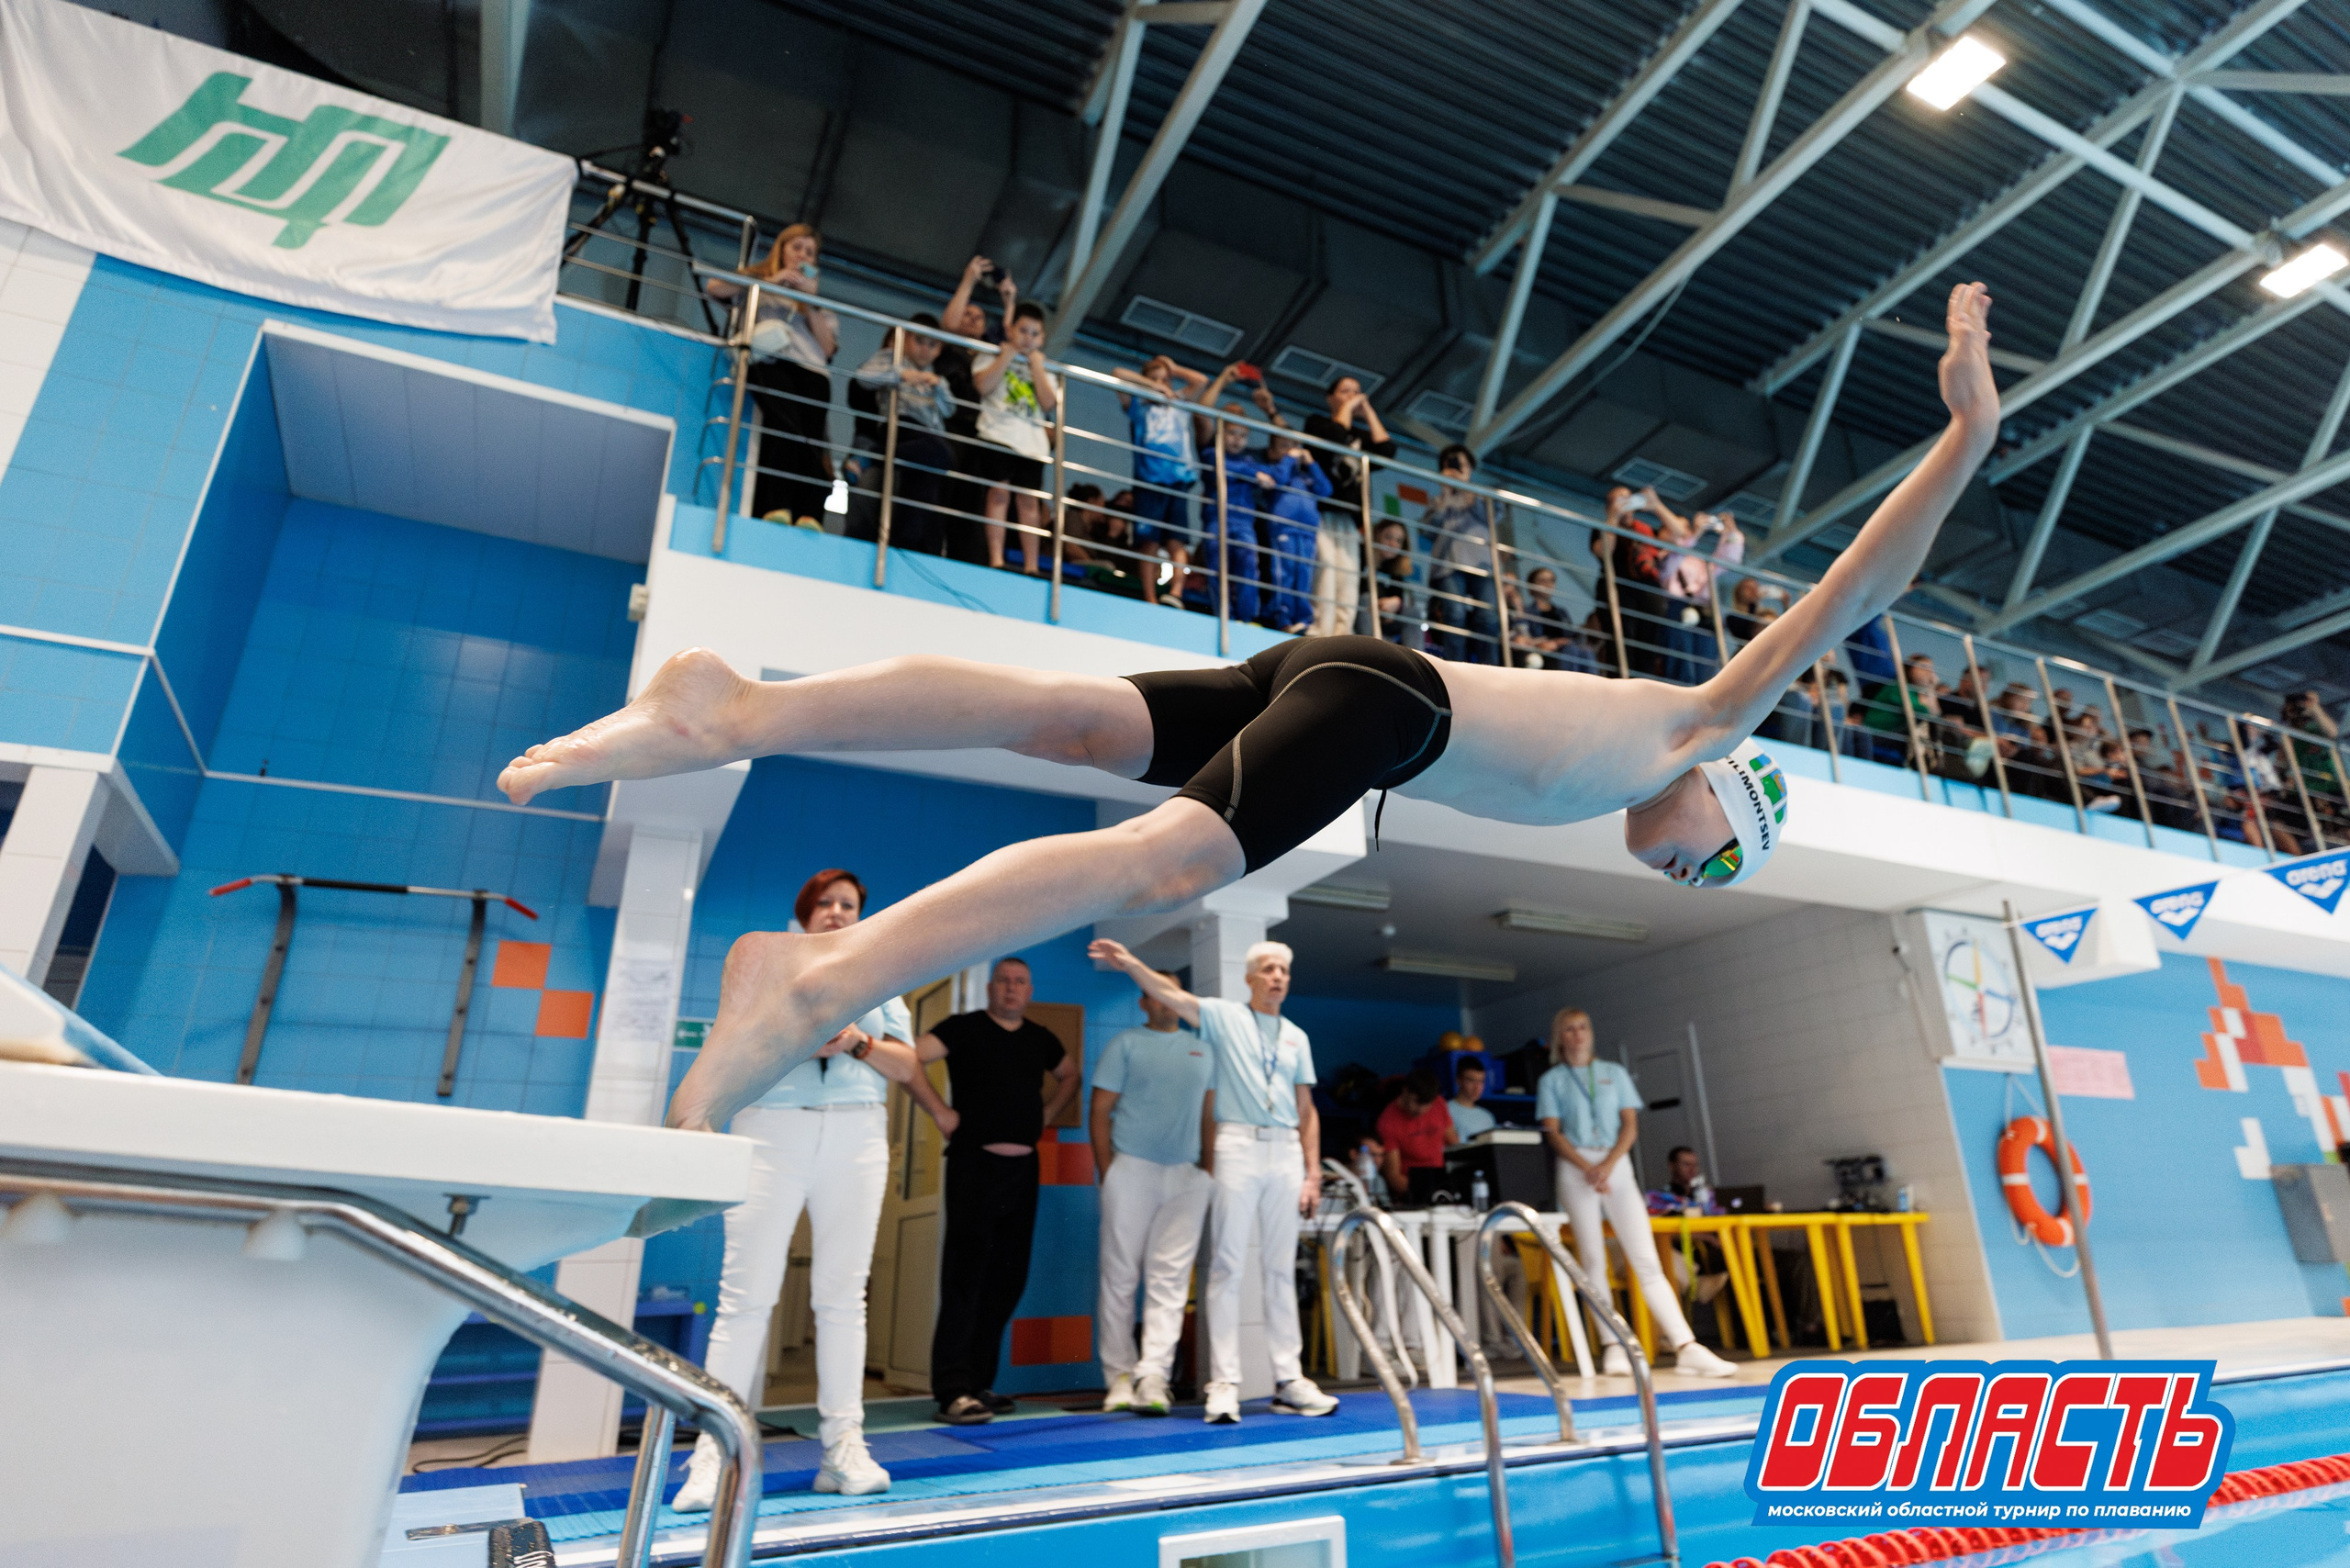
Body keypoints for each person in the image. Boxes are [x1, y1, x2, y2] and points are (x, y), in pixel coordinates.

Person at [500, 286, 2002, 1157]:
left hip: (1327, 667)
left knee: (1064, 724)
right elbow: (1848, 595)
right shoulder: (1693, 722)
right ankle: (821, 980)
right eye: (1719, 865)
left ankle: (740, 703)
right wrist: (1965, 434)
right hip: (1381, 700)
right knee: (1160, 866)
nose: (1694, 878)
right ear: (1735, 797)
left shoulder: (1628, 758)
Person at [673, 869, 952, 1508]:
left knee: (842, 1296)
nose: (836, 911)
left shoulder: (880, 978)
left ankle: (843, 1448)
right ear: (803, 912)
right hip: (771, 1129)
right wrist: (797, 1038)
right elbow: (733, 1043)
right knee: (745, 1296)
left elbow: (907, 1065)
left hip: (855, 1134)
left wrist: (854, 1041)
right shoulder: (770, 968)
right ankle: (712, 1456)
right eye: (824, 902)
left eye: (848, 904)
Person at [1089, 936, 1340, 1425]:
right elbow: (1177, 999)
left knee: (1278, 1268)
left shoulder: (1294, 1037)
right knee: (1223, 1264)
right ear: (1250, 978)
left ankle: (1289, 1379)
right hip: (1234, 1148)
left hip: (1279, 1151)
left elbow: (1306, 1110)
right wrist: (1132, 964)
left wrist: (1313, 1172)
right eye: (1267, 969)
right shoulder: (1224, 1019)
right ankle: (1222, 1381)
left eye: (1283, 970)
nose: (1277, 977)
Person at [914, 957, 1079, 1424]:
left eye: (1020, 982)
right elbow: (910, 1057)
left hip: (1023, 1172)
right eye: (1004, 980)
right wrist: (939, 1112)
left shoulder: (1040, 1038)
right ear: (990, 988)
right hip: (973, 1167)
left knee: (1007, 1280)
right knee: (965, 1278)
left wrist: (1045, 1116)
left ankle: (980, 1384)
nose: (1011, 988)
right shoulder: (962, 1028)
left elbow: (1071, 1075)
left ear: (1029, 991)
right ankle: (951, 1390)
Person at [1536, 1008, 1735, 1378]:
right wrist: (1587, 1168)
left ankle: (1685, 1345)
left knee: (1646, 1259)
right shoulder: (1553, 1080)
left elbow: (1630, 1124)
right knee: (1594, 1259)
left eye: (1583, 1028)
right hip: (1576, 1168)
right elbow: (1553, 1131)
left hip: (1616, 1166)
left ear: (1591, 1033)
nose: (1578, 1035)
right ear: (1560, 1037)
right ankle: (1612, 1345)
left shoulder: (1614, 1073)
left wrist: (1608, 1165)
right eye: (1570, 1030)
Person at [1088, 970, 1214, 1419]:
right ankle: (1119, 1376)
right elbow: (1099, 1110)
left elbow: (1209, 1113)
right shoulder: (1125, 1044)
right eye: (1155, 994)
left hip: (1186, 1176)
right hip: (1132, 1169)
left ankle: (1153, 1375)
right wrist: (1110, 1170)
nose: (1165, 1000)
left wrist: (1208, 1170)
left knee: (1171, 1280)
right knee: (1120, 1276)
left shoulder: (1204, 1047)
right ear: (1144, 1003)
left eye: (1173, 991)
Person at [722, 225, 838, 528]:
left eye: (810, 253)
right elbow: (714, 288)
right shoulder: (758, 278)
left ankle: (810, 514)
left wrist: (809, 303)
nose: (802, 256)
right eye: (797, 247)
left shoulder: (817, 302)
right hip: (769, 360)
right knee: (785, 425)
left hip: (812, 370)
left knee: (813, 438)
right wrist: (772, 282)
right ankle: (778, 507)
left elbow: (827, 349)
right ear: (782, 248)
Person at [849, 315, 958, 555]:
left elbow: (950, 409)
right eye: (919, 341)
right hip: (900, 424)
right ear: (907, 340)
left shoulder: (935, 375)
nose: (924, 349)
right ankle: (872, 457)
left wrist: (938, 386)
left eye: (932, 345)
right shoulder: (893, 358)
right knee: (944, 454)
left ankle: (903, 548)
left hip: (928, 435)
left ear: (939, 349)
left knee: (922, 490)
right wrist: (900, 374)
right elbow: (863, 377)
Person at [1302, 375, 1394, 636]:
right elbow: (1334, 435)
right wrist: (1346, 408)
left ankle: (1342, 633)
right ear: (1331, 398)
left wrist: (1368, 411)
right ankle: (1321, 630)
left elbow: (1386, 450)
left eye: (1357, 392)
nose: (1353, 396)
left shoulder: (1361, 436)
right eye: (1345, 392)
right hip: (1322, 509)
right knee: (1326, 566)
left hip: (1350, 516)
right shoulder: (1317, 423)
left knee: (1349, 574)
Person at [975, 301, 1059, 574]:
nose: (1028, 338)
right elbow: (983, 385)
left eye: (1035, 334)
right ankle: (996, 558)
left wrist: (1036, 367)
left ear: (1042, 338)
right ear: (1010, 330)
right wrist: (1006, 357)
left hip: (1032, 445)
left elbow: (1048, 403)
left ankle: (1031, 565)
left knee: (1029, 503)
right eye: (1023, 331)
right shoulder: (992, 354)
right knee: (999, 494)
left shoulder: (1045, 369)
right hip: (998, 434)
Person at [1113, 354, 1207, 601]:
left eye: (1164, 380)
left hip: (1178, 481)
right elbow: (1118, 373)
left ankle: (1176, 592)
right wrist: (1149, 385)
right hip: (1149, 482)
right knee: (1149, 543)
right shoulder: (1138, 406)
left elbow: (1201, 381)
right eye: (1154, 379)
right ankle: (1150, 597)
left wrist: (1174, 368)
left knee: (1177, 542)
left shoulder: (1178, 401)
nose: (1160, 384)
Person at [1424, 444, 1503, 664]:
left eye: (1461, 465)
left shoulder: (1482, 497)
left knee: (1488, 618)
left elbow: (1493, 519)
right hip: (1448, 566)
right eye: (1451, 464)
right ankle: (1455, 667)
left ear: (1470, 469)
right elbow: (1428, 530)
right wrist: (1445, 491)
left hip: (1483, 565)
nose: (1457, 469)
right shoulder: (1439, 501)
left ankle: (1490, 670)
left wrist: (1466, 489)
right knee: (1454, 616)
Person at [1252, 432, 1332, 634]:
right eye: (1284, 447)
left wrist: (1311, 463)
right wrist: (1289, 458)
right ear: (1271, 452)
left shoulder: (1306, 476)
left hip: (1306, 532)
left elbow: (1326, 489)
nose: (1292, 451)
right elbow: (1277, 479)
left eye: (1294, 446)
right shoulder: (1275, 471)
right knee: (1284, 573)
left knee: (1303, 575)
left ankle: (1303, 620)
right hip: (1283, 529)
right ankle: (1283, 616)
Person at [1374, 1069, 1455, 1197]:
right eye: (1416, 1102)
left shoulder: (1439, 1103)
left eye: (1427, 1104)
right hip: (1410, 1192)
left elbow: (1454, 1143)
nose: (1421, 1110)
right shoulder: (1387, 1121)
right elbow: (1394, 1177)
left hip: (1441, 1185)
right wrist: (1427, 1190)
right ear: (1405, 1091)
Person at [1371, 520, 1421, 647]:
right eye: (1388, 537)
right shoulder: (1363, 559)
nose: (1393, 544)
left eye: (1399, 541)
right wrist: (1381, 604)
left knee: (1413, 612)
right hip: (1368, 616)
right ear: (1377, 535)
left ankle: (1415, 659)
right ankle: (1370, 651)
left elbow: (1398, 598)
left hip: (1387, 620)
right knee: (1367, 600)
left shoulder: (1396, 572)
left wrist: (1397, 603)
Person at [1448, 1058, 1496, 1140]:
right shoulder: (1444, 1110)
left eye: (1481, 1081)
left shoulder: (1487, 1117)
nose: (1477, 1087)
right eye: (1471, 1080)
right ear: (1459, 1080)